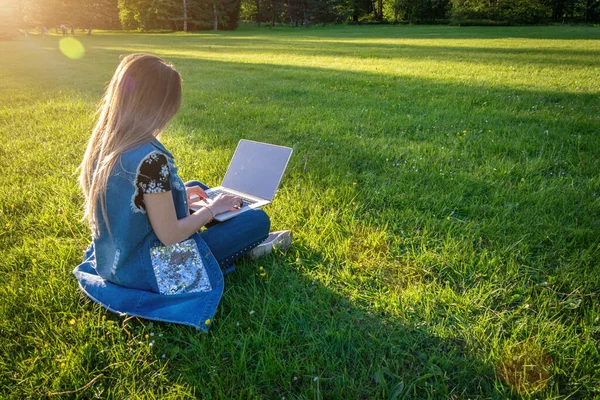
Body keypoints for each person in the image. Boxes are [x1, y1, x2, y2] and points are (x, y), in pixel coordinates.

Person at [73, 54, 291, 331]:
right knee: (257, 222)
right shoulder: (151, 160)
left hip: (117, 259)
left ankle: (219, 219)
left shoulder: (105, 144)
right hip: (151, 271)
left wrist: (181, 196)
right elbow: (170, 235)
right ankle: (246, 245)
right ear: (159, 105)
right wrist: (213, 209)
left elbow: (129, 200)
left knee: (195, 186)